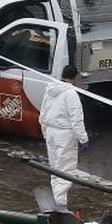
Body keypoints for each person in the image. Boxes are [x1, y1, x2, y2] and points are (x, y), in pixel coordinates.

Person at [39, 65, 89, 212]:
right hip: (65, 135)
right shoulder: (71, 94)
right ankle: (60, 205)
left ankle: (57, 200)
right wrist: (83, 138)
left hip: (51, 132)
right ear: (75, 78)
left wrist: (45, 133)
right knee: (66, 169)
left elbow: (43, 114)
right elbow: (76, 119)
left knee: (55, 168)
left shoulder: (50, 90)